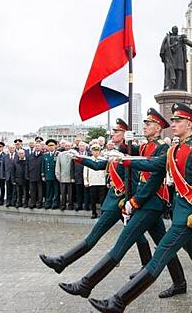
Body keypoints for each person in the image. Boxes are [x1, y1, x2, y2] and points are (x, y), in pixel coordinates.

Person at [87, 103, 192, 313]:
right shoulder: (175, 149)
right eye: (174, 120)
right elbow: (153, 164)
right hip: (181, 212)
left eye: (178, 121)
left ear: (189, 124)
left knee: (159, 257)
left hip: (189, 217)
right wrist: (126, 161)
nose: (174, 124)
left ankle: (118, 302)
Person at [58, 108, 187, 301]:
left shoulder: (162, 148)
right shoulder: (144, 146)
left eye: (148, 124)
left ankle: (86, 285)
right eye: (144, 123)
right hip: (147, 203)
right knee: (163, 245)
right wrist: (126, 140)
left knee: (121, 244)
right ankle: (180, 283)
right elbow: (124, 153)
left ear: (159, 128)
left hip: (151, 202)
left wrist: (135, 201)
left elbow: (152, 178)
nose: (144, 126)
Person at [39, 119, 152, 292]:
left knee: (96, 236)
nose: (112, 134)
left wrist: (131, 142)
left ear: (125, 134)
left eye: (116, 132)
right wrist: (77, 158)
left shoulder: (129, 151)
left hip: (121, 201)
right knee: (137, 235)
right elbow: (99, 164)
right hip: (114, 199)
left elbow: (137, 173)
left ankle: (62, 262)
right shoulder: (115, 152)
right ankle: (146, 266)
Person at [160, 25, 192, 91]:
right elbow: (163, 48)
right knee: (170, 72)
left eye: (177, 29)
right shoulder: (168, 37)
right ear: (172, 30)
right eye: (175, 29)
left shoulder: (180, 37)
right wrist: (164, 54)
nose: (176, 30)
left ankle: (179, 87)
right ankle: (170, 86)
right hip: (171, 58)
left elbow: (187, 42)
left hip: (179, 57)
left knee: (179, 71)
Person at [84, 145, 107, 219]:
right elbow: (85, 171)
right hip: (92, 181)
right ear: (92, 151)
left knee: (102, 199)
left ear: (99, 151)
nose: (96, 152)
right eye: (94, 151)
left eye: (97, 151)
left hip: (101, 181)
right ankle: (94, 213)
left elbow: (106, 171)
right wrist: (86, 180)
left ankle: (103, 213)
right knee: (93, 199)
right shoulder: (88, 159)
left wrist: (107, 181)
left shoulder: (103, 160)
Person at [56, 141, 75, 210]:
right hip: (62, 177)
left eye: (69, 146)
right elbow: (58, 166)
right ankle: (63, 205)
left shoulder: (74, 154)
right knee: (63, 193)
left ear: (71, 147)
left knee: (70, 193)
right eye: (66, 146)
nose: (67, 147)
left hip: (71, 177)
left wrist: (73, 177)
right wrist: (58, 175)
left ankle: (70, 205)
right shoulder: (60, 155)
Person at [42, 139, 59, 209]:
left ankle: (55, 203)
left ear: (55, 146)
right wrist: (43, 175)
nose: (51, 147)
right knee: (48, 190)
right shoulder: (45, 155)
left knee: (56, 190)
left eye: (52, 145)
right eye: (49, 146)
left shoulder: (58, 154)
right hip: (48, 175)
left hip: (55, 175)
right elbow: (43, 165)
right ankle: (48, 202)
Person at [27, 143, 44, 209]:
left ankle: (39, 203)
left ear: (41, 147)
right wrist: (27, 174)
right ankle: (32, 203)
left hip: (40, 176)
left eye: (38, 146)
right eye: (36, 146)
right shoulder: (30, 155)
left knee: (40, 191)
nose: (37, 147)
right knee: (32, 190)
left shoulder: (43, 155)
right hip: (32, 175)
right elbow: (27, 165)